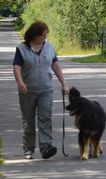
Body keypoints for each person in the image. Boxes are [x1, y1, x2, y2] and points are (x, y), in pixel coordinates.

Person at [13, 21, 70, 159]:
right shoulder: (22, 49)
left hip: (46, 89)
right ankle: (29, 149)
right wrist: (20, 82)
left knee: (45, 118)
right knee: (28, 120)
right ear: (34, 35)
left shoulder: (49, 47)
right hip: (27, 90)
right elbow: (17, 67)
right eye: (42, 36)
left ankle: (45, 148)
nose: (45, 38)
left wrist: (64, 84)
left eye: (46, 35)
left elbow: (56, 65)